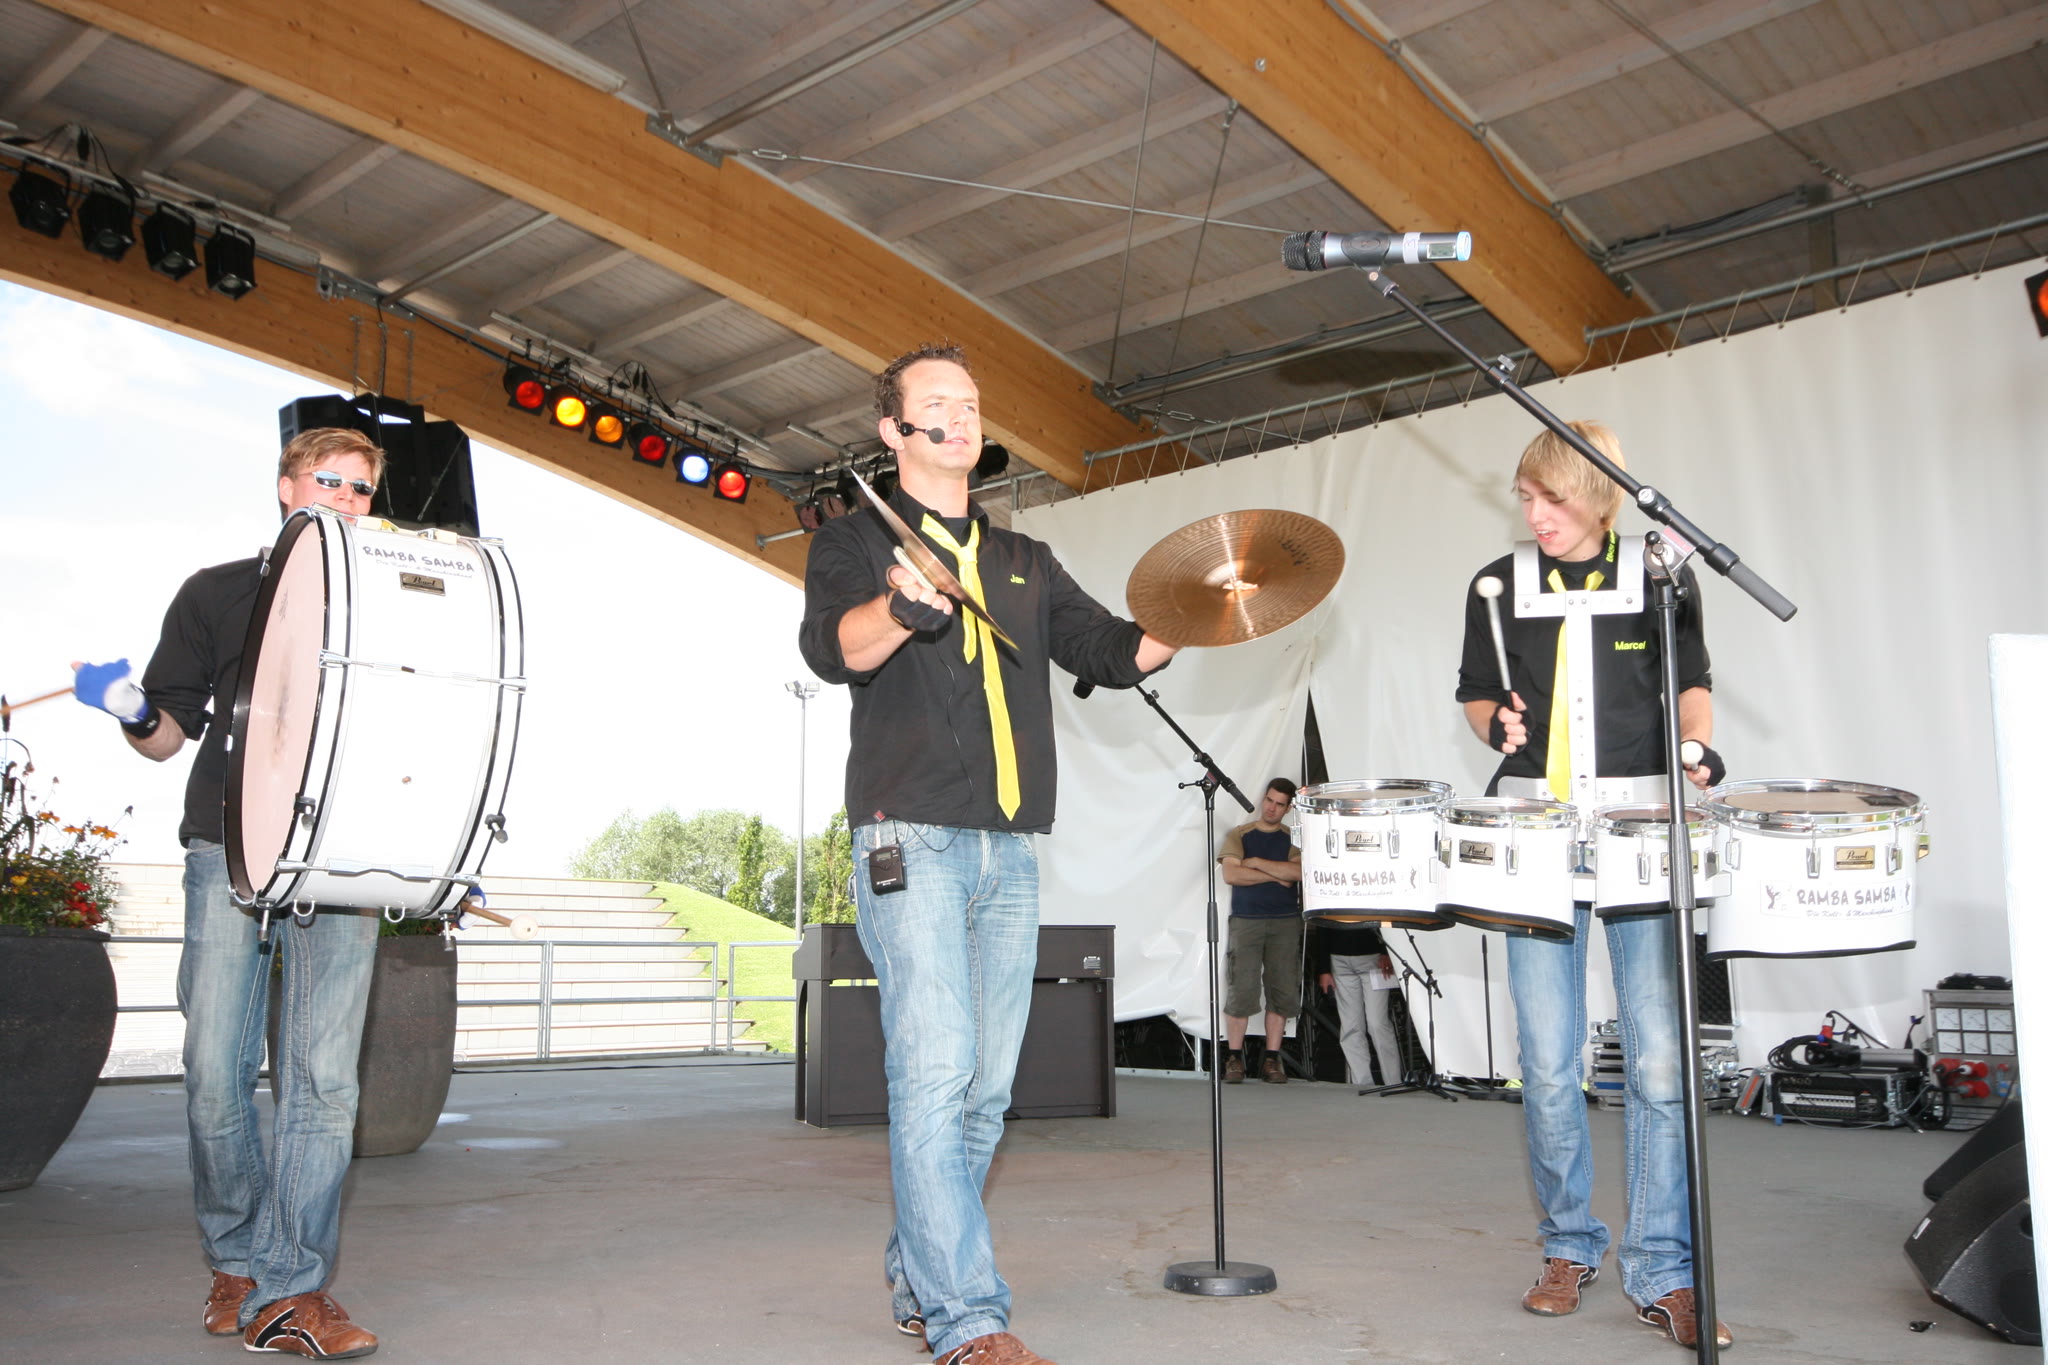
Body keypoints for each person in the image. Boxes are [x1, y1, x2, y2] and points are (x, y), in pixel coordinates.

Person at [798, 343, 1178, 1365]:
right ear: (894, 430)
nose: (961, 416)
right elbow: (834, 648)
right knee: (933, 1077)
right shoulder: (853, 540)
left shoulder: (1022, 560)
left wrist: (1192, 609)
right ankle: (969, 1319)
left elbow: (1109, 651)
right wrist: (902, 605)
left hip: (1008, 851)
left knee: (983, 1094)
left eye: (970, 402)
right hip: (909, 839)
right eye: (938, 403)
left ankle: (920, 1277)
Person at [73, 428, 388, 1359]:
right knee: (216, 1070)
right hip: (229, 847)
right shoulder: (214, 592)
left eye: (360, 488)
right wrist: (133, 709)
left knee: (324, 1084)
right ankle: (236, 1260)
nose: (344, 498)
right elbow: (167, 735)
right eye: (327, 480)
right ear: (286, 486)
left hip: (347, 857)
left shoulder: (391, 602)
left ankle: (292, 1288)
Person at [1453, 419, 1731, 1351]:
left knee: (1658, 1064)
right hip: (1535, 838)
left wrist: (1695, 744)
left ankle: (1665, 1268)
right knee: (1546, 1062)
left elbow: (1692, 682)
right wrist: (1495, 724)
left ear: (1603, 496)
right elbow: (1477, 693)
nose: (1537, 514)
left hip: (1642, 832)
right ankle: (1568, 1246)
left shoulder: (1662, 574)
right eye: (1527, 497)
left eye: (1556, 498)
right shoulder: (1496, 584)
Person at [1217, 778, 1304, 1084]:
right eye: (1269, 800)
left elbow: (1297, 873)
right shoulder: (1240, 834)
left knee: (1281, 989)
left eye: (1279, 804)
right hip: (1247, 920)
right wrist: (1275, 874)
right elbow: (1231, 874)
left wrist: (1254, 863)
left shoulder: (1292, 838)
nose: (1271, 808)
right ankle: (1234, 1058)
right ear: (1263, 798)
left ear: (1288, 808)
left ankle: (1271, 1059)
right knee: (1241, 989)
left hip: (1285, 922)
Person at [1308, 917, 1401, 1092]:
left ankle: (1393, 1081)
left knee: (1377, 1023)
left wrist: (1385, 951)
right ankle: (1362, 1082)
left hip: (1372, 956)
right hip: (1340, 958)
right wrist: (1324, 969)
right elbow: (1323, 924)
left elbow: (1385, 915)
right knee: (1351, 1025)